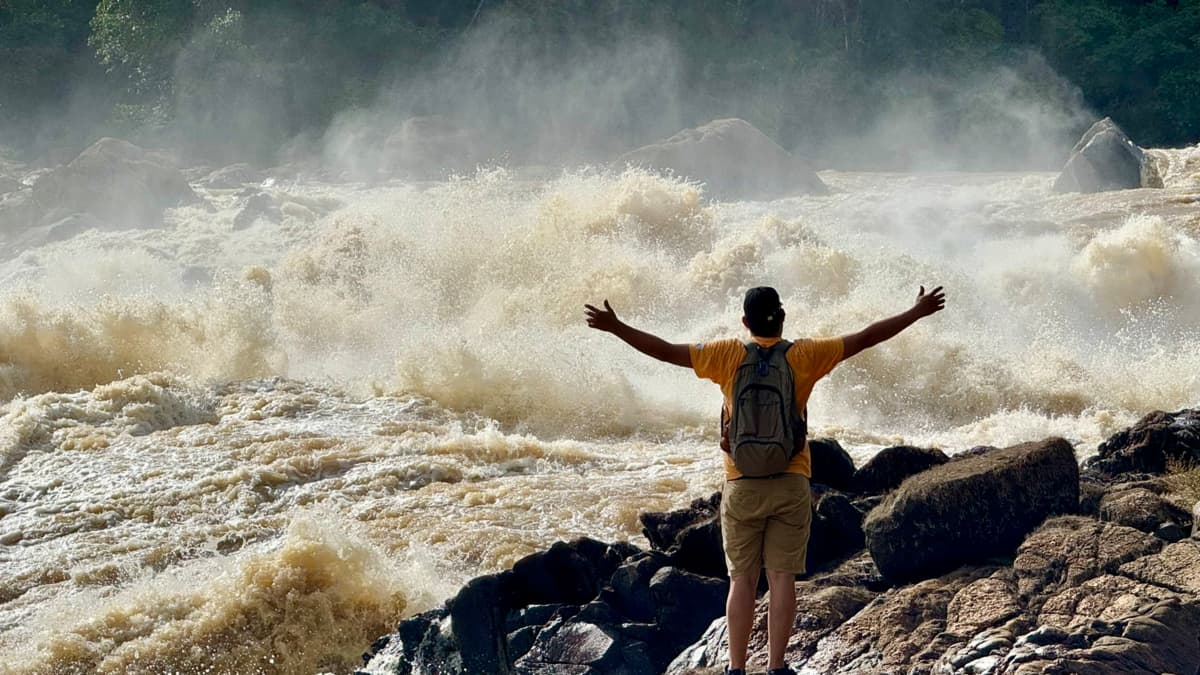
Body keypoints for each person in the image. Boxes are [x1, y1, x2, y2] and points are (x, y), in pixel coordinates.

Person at [584, 284, 946, 675]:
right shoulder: (805, 354)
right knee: (781, 578)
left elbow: (666, 351)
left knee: (742, 581)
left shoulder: (725, 354)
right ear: (783, 316)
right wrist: (916, 311)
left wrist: (616, 326)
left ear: (745, 322)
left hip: (741, 485)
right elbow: (866, 337)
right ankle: (776, 667)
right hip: (791, 481)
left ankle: (736, 668)